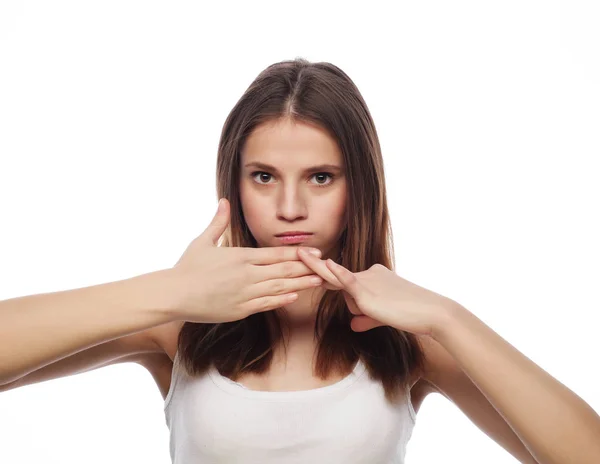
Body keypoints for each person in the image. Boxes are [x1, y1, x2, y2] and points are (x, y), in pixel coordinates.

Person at [1, 58, 599, 464]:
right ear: (233, 184)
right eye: (264, 176)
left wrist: (448, 317)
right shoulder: (178, 322)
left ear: (358, 186)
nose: (290, 208)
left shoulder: (409, 341)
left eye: (320, 177)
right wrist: (169, 291)